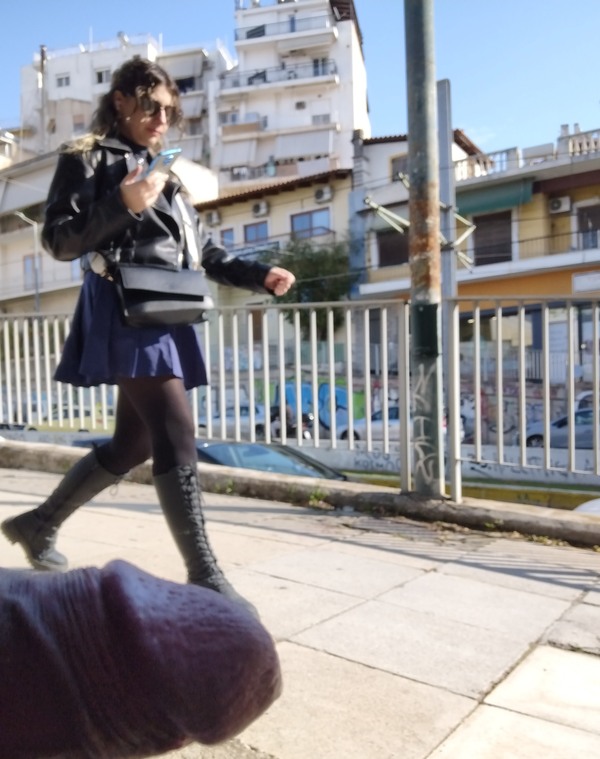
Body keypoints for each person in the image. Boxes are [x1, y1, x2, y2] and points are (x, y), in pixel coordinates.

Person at [0, 56, 295, 617]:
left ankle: (38, 524)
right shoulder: (88, 158)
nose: (162, 119)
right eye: (151, 106)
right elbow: (59, 240)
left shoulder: (169, 175)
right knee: (175, 430)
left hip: (166, 311)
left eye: (169, 111)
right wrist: (123, 204)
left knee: (132, 444)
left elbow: (203, 252)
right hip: (123, 307)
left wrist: (258, 275)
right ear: (121, 101)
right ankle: (205, 575)